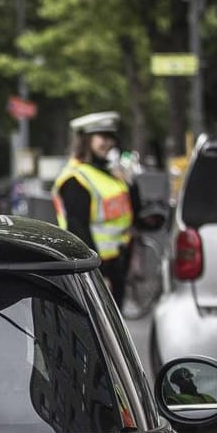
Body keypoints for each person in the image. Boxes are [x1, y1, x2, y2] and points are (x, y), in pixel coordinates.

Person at [52, 111, 141, 309]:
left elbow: (133, 214)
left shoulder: (109, 173)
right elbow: (79, 230)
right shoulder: (75, 180)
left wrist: (131, 184)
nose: (109, 143)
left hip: (118, 265)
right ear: (85, 140)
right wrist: (97, 275)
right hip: (99, 270)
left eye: (111, 138)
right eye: (103, 137)